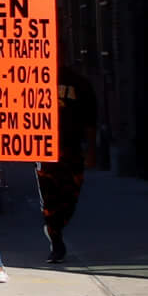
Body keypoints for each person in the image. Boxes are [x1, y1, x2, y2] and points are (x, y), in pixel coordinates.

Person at [40, 65, 100, 263]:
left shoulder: (79, 83)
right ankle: (56, 242)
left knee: (70, 195)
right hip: (45, 150)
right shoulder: (35, 78)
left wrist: (91, 151)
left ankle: (57, 226)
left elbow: (91, 120)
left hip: (71, 149)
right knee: (48, 198)